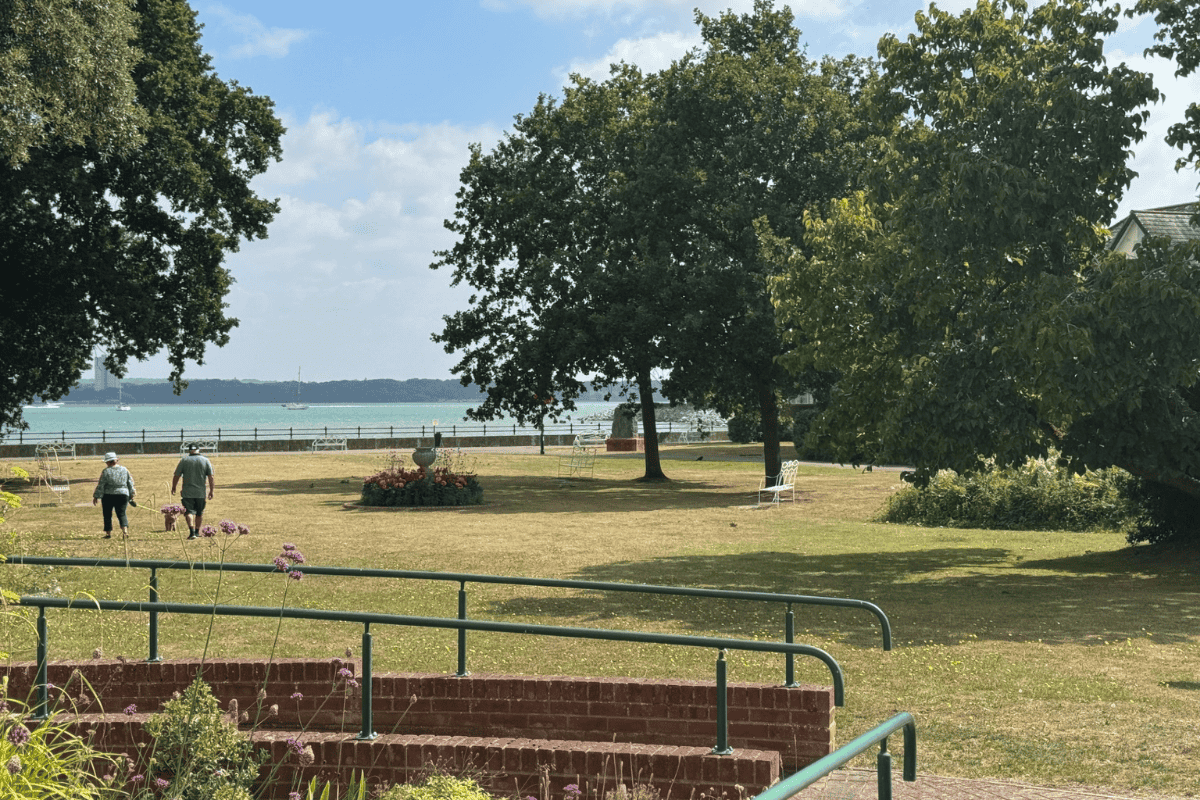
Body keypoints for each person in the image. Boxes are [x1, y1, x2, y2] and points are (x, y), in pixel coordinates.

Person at [171, 443, 215, 540]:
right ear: (198, 450)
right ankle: (197, 531)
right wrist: (211, 490)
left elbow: (176, 475)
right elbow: (211, 477)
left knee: (189, 512)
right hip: (200, 492)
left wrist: (173, 487)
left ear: (189, 450)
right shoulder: (205, 460)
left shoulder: (184, 460)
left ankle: (191, 532)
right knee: (199, 513)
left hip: (187, 492)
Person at [92, 452, 136, 539]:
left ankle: (108, 534)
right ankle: (125, 531)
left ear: (108, 462)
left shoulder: (106, 471)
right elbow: (130, 483)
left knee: (107, 514)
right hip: (123, 494)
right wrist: (132, 494)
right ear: (116, 461)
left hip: (108, 495)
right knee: (122, 513)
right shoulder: (124, 469)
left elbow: (101, 484)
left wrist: (96, 496)